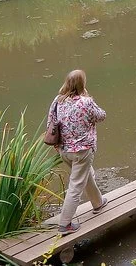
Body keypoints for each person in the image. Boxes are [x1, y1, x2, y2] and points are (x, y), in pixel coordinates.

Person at [47, 69, 107, 234]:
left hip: (64, 150)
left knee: (85, 176)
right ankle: (65, 224)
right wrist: (89, 99)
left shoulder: (58, 101)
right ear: (83, 84)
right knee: (76, 186)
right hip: (82, 151)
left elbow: (50, 124)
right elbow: (101, 116)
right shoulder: (85, 102)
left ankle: (98, 203)